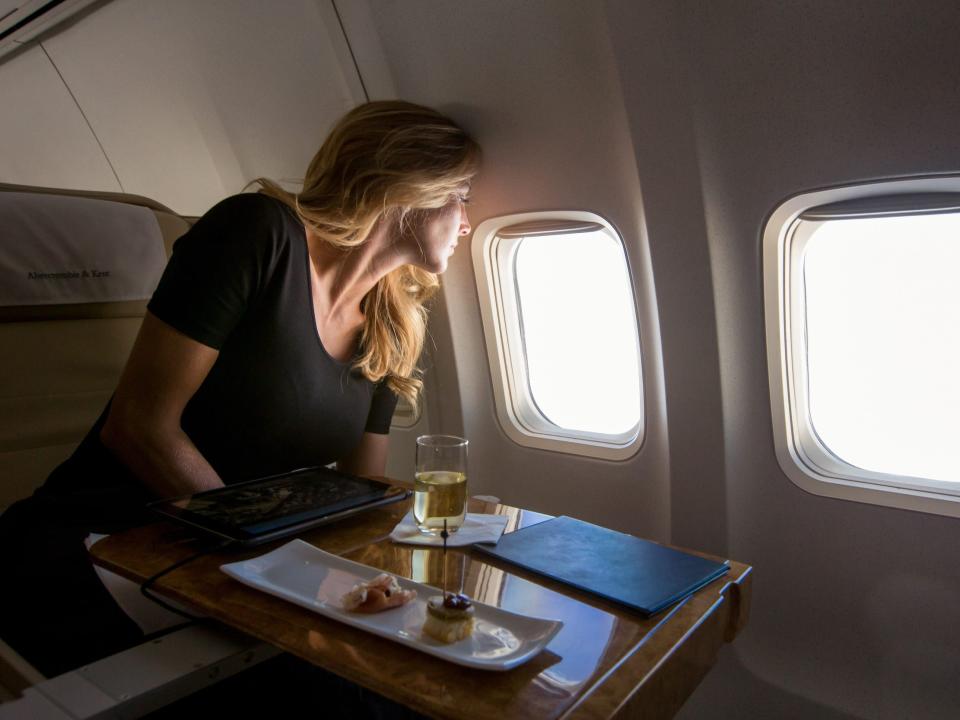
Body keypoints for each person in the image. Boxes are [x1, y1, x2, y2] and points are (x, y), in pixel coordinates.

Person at [0, 100, 481, 679]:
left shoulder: (391, 325)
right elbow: (139, 427)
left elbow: (359, 490)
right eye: (463, 197)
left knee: (388, 676)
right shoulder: (257, 234)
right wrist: (275, 562)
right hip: (108, 538)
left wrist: (386, 578)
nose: (468, 221)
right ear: (411, 185)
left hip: (234, 560)